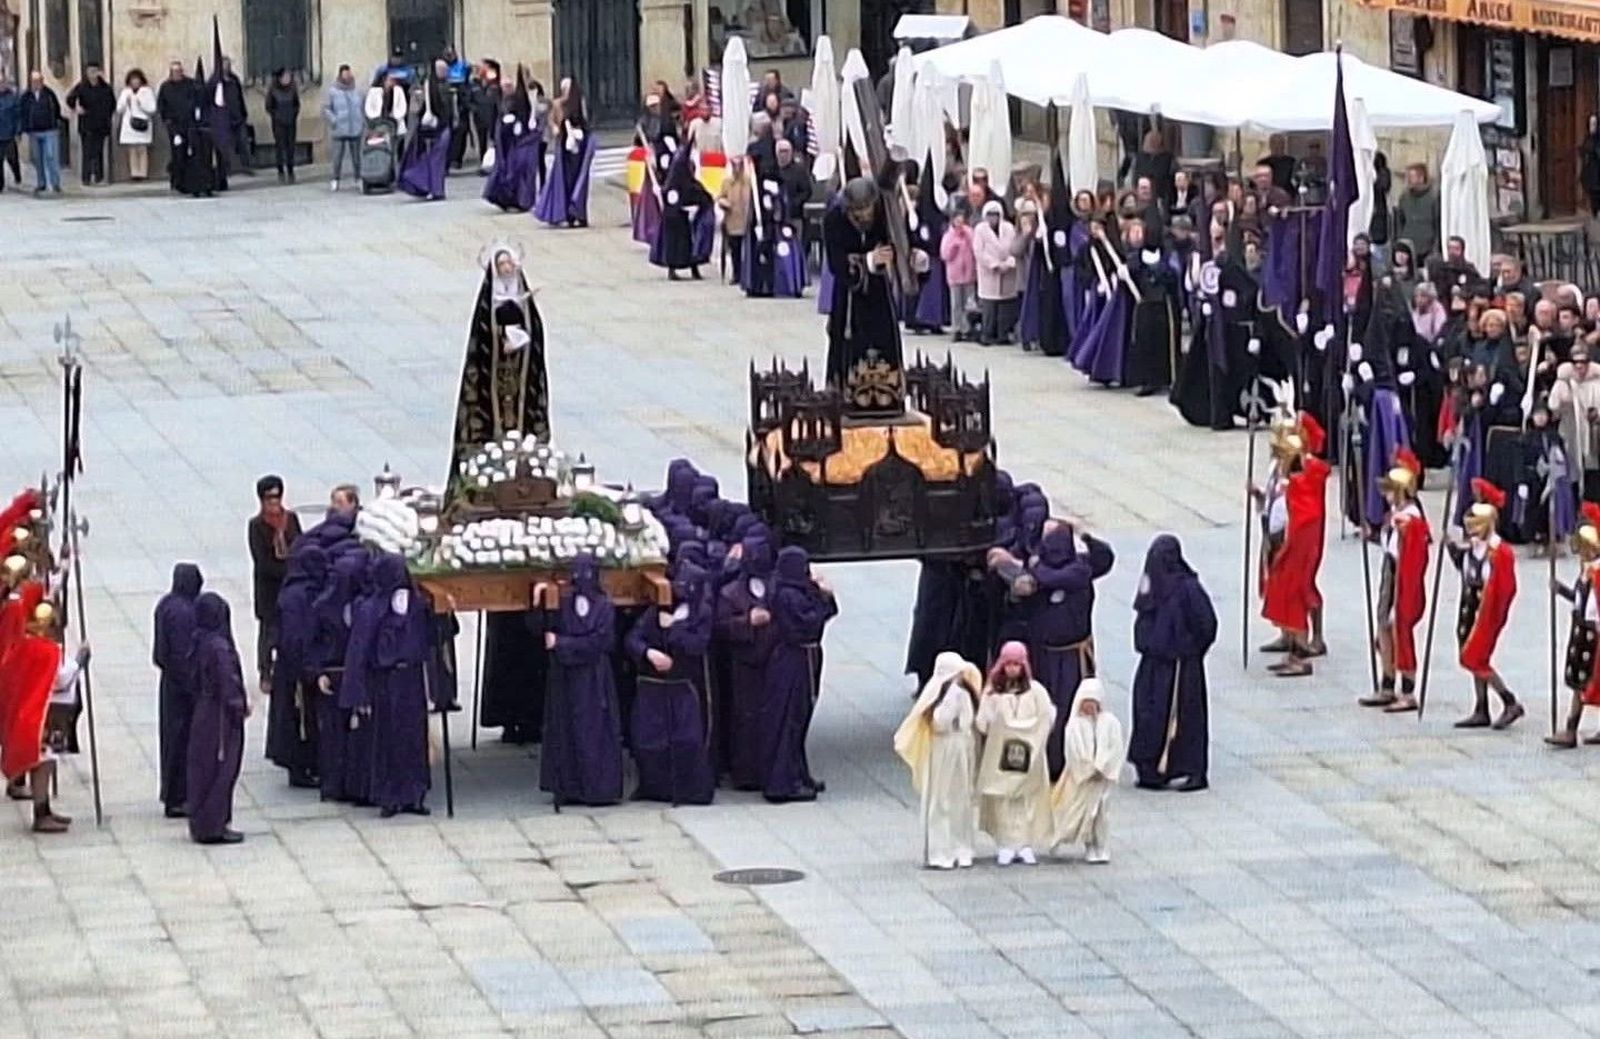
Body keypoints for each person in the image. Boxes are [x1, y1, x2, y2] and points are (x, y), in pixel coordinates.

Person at [340, 553, 434, 817]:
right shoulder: (371, 609)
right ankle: (390, 796)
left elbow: (432, 637)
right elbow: (360, 651)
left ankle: (414, 793)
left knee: (413, 737)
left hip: (411, 678)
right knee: (388, 739)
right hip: (387, 681)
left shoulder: (416, 606)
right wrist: (358, 693)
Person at [1023, 523, 1114, 781]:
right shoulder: (1041, 571)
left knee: (1071, 708)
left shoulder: (1078, 570)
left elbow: (1105, 558)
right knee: (1046, 709)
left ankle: (1076, 759)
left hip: (1073, 658)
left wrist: (1085, 534)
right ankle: (1049, 760)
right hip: (1045, 656)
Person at [1126, 535, 1215, 791]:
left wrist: (1190, 650)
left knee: (1185, 718)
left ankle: (1192, 769)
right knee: (1148, 714)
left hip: (1181, 667)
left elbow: (1206, 623)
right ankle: (1151, 768)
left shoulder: (1188, 588)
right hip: (1153, 665)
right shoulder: (1151, 584)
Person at [626, 565, 717, 805]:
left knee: (686, 740)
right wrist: (649, 653)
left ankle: (688, 790)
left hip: (683, 683)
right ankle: (653, 787)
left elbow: (697, 644)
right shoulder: (658, 610)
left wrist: (674, 629)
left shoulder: (702, 613)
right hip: (653, 684)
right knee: (648, 739)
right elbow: (634, 639)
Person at [538, 554, 624, 807]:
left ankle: (598, 789)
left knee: (593, 730)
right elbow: (545, 630)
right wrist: (539, 603)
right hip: (567, 676)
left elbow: (601, 641)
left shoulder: (604, 606)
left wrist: (564, 644)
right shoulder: (564, 602)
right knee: (567, 729)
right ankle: (569, 787)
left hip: (593, 677)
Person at [1254, 411, 1331, 677]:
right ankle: (1288, 639)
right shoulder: (1283, 472)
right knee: (1280, 590)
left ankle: (1302, 649)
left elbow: (1303, 513)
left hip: (1296, 543)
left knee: (1298, 591)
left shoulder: (1306, 476)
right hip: (1277, 537)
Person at [894, 652, 983, 870]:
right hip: (946, 747)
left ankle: (958, 848)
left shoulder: (960, 693)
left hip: (958, 745)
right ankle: (944, 850)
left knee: (957, 798)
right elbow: (941, 721)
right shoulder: (943, 694)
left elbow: (964, 720)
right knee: (945, 798)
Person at [761, 547, 836, 803]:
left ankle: (797, 773)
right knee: (788, 720)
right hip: (793, 662)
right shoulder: (787, 596)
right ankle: (782, 782)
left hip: (801, 659)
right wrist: (823, 597)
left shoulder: (791, 590)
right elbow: (810, 622)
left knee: (799, 718)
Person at [1, 603, 84, 833]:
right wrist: (80, 661)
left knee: (44, 761)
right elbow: (62, 680)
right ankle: (41, 812)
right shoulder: (47, 651)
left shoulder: (23, 645)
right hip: (38, 718)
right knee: (44, 762)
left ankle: (44, 809)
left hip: (26, 715)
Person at [1359, 450, 1431, 713]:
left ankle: (1409, 689)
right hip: (1390, 573)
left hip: (1403, 579)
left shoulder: (1412, 520)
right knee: (1383, 628)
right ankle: (1387, 682)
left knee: (1400, 631)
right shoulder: (1396, 515)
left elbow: (1413, 558)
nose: (1387, 495)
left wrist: (1403, 533)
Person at [975, 641, 1055, 866]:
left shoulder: (1036, 692)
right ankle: (1005, 843)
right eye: (1008, 664)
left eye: (1016, 664)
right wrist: (994, 718)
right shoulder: (993, 693)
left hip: (1029, 756)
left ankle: (1025, 844)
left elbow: (1047, 717)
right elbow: (982, 723)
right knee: (1002, 800)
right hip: (1000, 756)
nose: (1012, 669)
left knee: (1026, 800)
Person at [1452, 479, 1523, 729]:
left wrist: (1494, 614)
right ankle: (1481, 707)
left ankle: (1509, 700)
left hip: (1486, 611)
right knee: (1471, 655)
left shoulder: (1500, 552)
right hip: (1468, 606)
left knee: (1475, 658)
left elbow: (1505, 588)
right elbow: (1466, 572)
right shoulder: (1474, 548)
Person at [185, 592, 247, 844]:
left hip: (203, 711)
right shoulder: (218, 646)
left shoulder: (197, 639)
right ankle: (214, 823)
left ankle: (203, 822)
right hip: (219, 715)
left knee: (202, 769)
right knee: (220, 768)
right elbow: (226, 679)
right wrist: (238, 704)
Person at [719, 532, 777, 790]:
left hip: (773, 659)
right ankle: (746, 773)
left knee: (772, 717)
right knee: (745, 717)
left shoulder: (776, 585)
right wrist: (746, 623)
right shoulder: (731, 592)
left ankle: (770, 769)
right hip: (744, 662)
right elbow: (721, 627)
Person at [266, 545, 325, 789]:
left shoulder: (295, 591)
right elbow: (295, 636)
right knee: (298, 719)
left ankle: (305, 763)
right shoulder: (298, 597)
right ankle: (299, 767)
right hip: (296, 670)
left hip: (293, 667)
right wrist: (308, 666)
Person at [1049, 678, 1124, 863]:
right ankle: (1089, 845)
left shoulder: (1110, 723)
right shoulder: (1074, 726)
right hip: (1085, 779)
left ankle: (1102, 846)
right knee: (1084, 814)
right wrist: (1089, 768)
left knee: (1102, 815)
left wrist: (1103, 767)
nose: (1089, 707)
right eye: (1086, 703)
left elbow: (1115, 748)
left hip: (1102, 780)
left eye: (1093, 703)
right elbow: (1074, 751)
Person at [153, 563, 204, 818]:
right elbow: (184, 653)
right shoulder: (186, 612)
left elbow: (161, 652)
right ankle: (180, 796)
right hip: (184, 686)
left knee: (170, 740)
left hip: (168, 683)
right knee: (184, 741)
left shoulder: (165, 605)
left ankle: (171, 794)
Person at [1549, 503, 1600, 747]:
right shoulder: (1586, 572)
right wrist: (1562, 591)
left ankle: (1570, 730)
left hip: (1594, 634)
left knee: (1585, 681)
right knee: (1580, 679)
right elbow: (1582, 600)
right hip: (1581, 629)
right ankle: (1571, 729)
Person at [247, 474, 303, 695]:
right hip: (269, 588)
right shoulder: (256, 526)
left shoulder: (291, 519)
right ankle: (265, 670)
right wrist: (286, 570)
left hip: (290, 586)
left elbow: (299, 543)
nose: (274, 502)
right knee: (268, 630)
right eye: (269, 498)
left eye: (277, 497)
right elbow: (261, 560)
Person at [534, 77, 596, 228]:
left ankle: (579, 213)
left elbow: (586, 121)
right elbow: (553, 120)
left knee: (579, 180)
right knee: (566, 180)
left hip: (579, 145)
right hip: (565, 146)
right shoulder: (558, 104)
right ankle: (568, 213)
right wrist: (556, 128)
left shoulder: (580, 103)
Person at [650, 141, 714, 281]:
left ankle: (694, 268)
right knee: (675, 244)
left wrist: (697, 205)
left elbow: (701, 196)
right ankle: (673, 269)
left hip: (686, 218)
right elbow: (673, 198)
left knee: (691, 244)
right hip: (675, 220)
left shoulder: (688, 180)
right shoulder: (675, 181)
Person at [482, 66, 542, 212]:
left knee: (526, 170)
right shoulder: (510, 98)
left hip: (528, 137)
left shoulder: (534, 92)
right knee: (514, 169)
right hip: (513, 139)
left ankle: (523, 200)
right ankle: (510, 198)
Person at [397, 61, 452, 201]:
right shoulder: (440, 87)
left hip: (434, 128)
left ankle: (432, 188)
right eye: (443, 69)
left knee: (433, 160)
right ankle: (434, 189)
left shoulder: (432, 85)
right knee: (435, 161)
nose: (446, 72)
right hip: (438, 128)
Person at [972, 200, 1019, 346]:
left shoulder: (1009, 228)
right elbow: (978, 251)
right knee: (989, 306)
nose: (993, 218)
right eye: (990, 215)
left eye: (996, 215)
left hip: (1008, 272)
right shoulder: (980, 229)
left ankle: (1003, 334)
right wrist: (994, 264)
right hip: (989, 272)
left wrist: (1009, 263)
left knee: (1005, 305)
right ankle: (987, 334)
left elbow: (1015, 247)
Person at [65, 63, 114, 186]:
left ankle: (99, 177)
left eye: (94, 71)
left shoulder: (106, 87)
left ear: (99, 72)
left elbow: (113, 103)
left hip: (101, 124)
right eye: (90, 72)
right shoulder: (81, 87)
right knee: (86, 151)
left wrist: (107, 115)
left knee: (99, 151)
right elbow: (70, 99)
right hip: (86, 124)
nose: (92, 74)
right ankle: (86, 178)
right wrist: (76, 108)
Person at [321, 64, 364, 191]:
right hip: (339, 128)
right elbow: (326, 109)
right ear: (340, 75)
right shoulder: (333, 91)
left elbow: (362, 106)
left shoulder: (356, 90)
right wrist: (334, 120)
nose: (347, 76)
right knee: (337, 157)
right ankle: (335, 179)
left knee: (356, 157)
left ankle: (358, 178)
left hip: (355, 127)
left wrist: (361, 120)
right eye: (345, 74)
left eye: (349, 73)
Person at [19, 71, 62, 195]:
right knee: (38, 159)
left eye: (38, 81)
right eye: (33, 81)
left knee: (50, 156)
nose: (36, 83)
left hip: (49, 130)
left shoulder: (49, 94)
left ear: (42, 81)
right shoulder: (26, 96)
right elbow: (22, 113)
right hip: (34, 132)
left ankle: (55, 184)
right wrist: (23, 129)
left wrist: (55, 122)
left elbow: (56, 109)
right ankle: (41, 183)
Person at [941, 205, 977, 342]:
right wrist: (954, 246)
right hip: (955, 275)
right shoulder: (948, 236)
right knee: (956, 304)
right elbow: (944, 255)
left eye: (962, 221)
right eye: (957, 221)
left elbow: (975, 248)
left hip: (968, 274)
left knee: (968, 303)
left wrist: (968, 237)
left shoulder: (970, 233)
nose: (960, 224)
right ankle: (956, 328)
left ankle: (967, 328)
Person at [156, 61, 196, 187]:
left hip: (190, 124)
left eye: (179, 71)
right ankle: (176, 180)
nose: (177, 74)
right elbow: (161, 105)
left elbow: (196, 100)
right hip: (174, 125)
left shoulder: (190, 84)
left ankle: (189, 179)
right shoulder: (166, 87)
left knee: (190, 152)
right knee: (177, 152)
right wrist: (166, 120)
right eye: (174, 71)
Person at [114, 69, 157, 182]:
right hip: (129, 124)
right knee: (132, 149)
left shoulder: (147, 91)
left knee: (142, 149)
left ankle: (143, 173)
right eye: (133, 79)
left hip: (142, 122)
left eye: (137, 79)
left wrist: (141, 103)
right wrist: (125, 102)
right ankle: (134, 173)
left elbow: (152, 109)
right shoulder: (125, 92)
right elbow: (119, 109)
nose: (135, 82)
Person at [1394, 163, 1441, 266]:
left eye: (1412, 177)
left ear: (1421, 177)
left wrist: (1435, 248)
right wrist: (1399, 245)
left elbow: (1437, 223)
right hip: (1408, 247)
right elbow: (1399, 222)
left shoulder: (1433, 197)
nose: (1409, 180)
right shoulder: (1404, 197)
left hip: (1427, 247)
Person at [715, 154, 752, 282]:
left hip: (746, 220)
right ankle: (737, 274)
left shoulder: (749, 181)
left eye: (738, 166)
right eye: (734, 166)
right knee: (734, 250)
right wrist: (723, 202)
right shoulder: (727, 182)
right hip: (732, 220)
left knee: (746, 250)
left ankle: (746, 274)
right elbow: (720, 197)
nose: (736, 169)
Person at [262, 68, 300, 183]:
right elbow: (268, 106)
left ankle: (290, 171)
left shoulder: (293, 89)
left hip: (291, 122)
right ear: (280, 78)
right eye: (285, 76)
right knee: (280, 147)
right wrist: (277, 116)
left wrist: (293, 114)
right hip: (278, 123)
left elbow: (297, 104)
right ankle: (281, 171)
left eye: (289, 76)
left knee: (291, 148)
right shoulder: (273, 90)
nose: (288, 78)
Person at [216, 57, 251, 176]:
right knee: (225, 145)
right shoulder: (216, 81)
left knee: (243, 142)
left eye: (228, 64)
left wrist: (243, 112)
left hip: (238, 116)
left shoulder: (234, 79)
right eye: (225, 65)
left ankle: (246, 166)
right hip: (224, 118)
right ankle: (226, 169)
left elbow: (240, 97)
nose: (227, 67)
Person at [0, 75, 20, 191]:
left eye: (2, 83)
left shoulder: (12, 97)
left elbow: (17, 115)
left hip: (9, 133)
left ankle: (17, 176)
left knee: (12, 158)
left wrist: (17, 131)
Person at [1584, 115, 1600, 216]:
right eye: (1590, 124)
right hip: (1591, 170)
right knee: (1592, 192)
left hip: (1597, 170)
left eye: (1594, 124)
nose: (1592, 127)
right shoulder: (1588, 138)